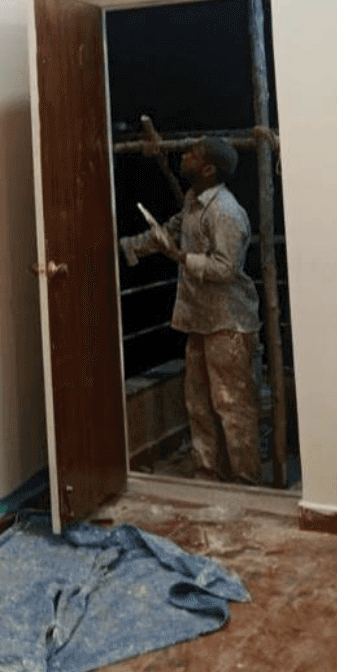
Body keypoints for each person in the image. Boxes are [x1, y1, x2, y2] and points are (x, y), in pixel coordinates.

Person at [119, 137, 262, 484]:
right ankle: (208, 470)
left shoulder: (225, 212)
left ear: (209, 168)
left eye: (192, 154)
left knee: (232, 405)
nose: (184, 156)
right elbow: (171, 231)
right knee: (198, 402)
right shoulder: (193, 201)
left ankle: (246, 479)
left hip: (228, 322)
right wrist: (128, 247)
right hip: (199, 317)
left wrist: (180, 257)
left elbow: (225, 269)